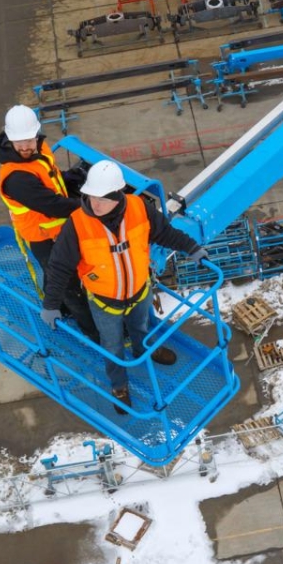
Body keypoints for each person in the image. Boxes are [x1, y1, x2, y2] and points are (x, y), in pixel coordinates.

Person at [40, 160, 208, 413]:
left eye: (102, 199)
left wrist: (192, 248)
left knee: (141, 328)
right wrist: (51, 305)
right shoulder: (77, 225)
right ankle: (119, 386)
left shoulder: (139, 208)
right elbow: (60, 267)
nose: (95, 204)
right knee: (112, 345)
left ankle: (146, 350)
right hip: (104, 302)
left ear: (118, 196)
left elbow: (165, 233)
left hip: (139, 292)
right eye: (91, 197)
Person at [0, 104, 100, 343]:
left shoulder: (38, 148)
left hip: (56, 231)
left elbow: (48, 174)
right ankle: (92, 333)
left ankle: (60, 307)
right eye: (19, 143)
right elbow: (51, 205)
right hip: (42, 237)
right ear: (9, 140)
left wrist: (65, 177)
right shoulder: (16, 178)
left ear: (36, 134)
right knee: (68, 284)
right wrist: (90, 207)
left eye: (29, 140)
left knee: (53, 275)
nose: (25, 148)